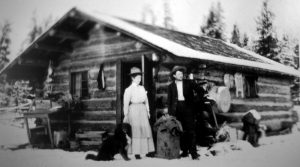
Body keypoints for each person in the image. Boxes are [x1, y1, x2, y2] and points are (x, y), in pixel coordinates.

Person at [166, 66, 203, 160]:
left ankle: (194, 153)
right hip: (177, 110)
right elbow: (169, 101)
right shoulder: (170, 86)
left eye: (182, 74)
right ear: (174, 75)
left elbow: (200, 90)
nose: (181, 75)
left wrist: (195, 101)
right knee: (181, 131)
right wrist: (170, 113)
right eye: (178, 74)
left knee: (191, 131)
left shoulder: (189, 82)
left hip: (188, 109)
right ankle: (185, 151)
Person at [123, 67, 155, 159]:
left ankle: (147, 150)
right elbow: (125, 103)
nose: (140, 80)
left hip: (142, 109)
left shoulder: (142, 88)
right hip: (134, 110)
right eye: (138, 78)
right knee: (136, 131)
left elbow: (146, 101)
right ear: (133, 78)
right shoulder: (128, 90)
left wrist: (148, 111)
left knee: (144, 130)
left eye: (140, 78)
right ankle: (136, 152)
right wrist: (126, 115)